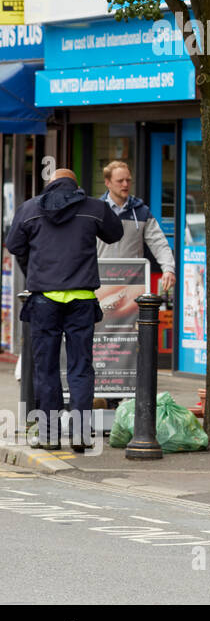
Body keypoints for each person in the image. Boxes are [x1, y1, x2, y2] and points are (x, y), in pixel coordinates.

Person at [5, 168, 123, 450]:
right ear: (75, 185)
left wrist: (34, 262)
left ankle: (48, 434)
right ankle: (81, 434)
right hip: (81, 299)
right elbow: (115, 233)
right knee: (80, 368)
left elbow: (13, 245)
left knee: (46, 369)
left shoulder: (30, 209)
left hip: (44, 299)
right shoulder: (95, 208)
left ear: (50, 184)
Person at [97, 160, 176, 293]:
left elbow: (158, 242)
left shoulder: (142, 211)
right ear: (107, 183)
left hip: (133, 283)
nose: (125, 184)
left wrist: (168, 268)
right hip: (101, 282)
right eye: (120, 180)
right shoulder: (96, 210)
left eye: (128, 180)